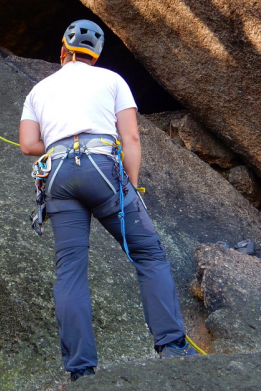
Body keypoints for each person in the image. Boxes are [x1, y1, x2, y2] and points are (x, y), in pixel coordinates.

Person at [19, 20, 196, 381]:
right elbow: (130, 137)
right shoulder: (112, 80)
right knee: (149, 253)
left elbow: (27, 145)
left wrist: (60, 140)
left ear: (63, 51)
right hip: (102, 169)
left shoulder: (39, 90)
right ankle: (172, 347)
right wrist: (129, 187)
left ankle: (81, 371)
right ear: (95, 56)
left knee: (70, 271)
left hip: (56, 174)